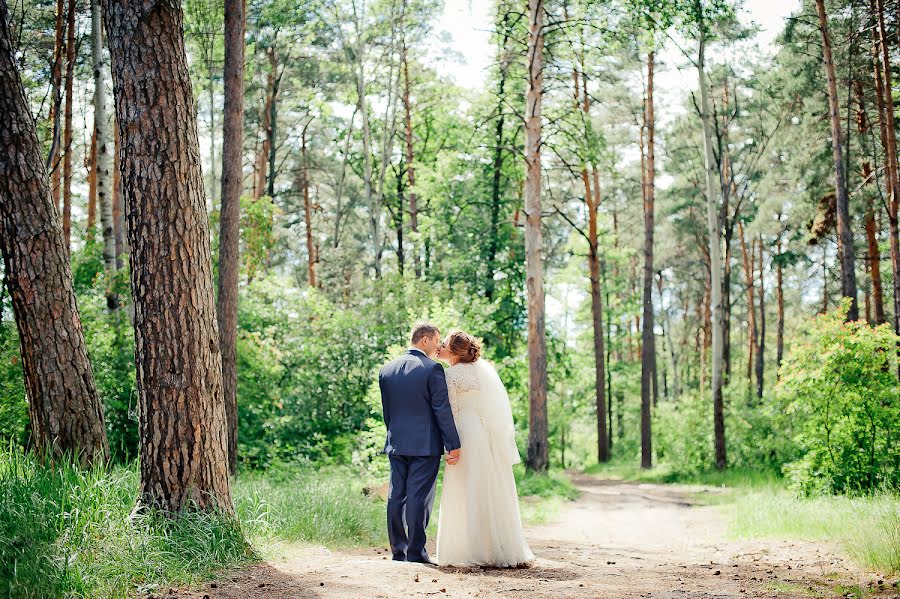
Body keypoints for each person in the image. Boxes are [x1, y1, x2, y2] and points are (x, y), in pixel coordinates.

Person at [435, 329, 534, 568]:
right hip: (482, 432)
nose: (441, 346)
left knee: (464, 488)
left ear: (455, 352)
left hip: (463, 434)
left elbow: (452, 411)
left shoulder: (451, 375)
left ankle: (468, 550)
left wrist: (451, 445)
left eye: (445, 344)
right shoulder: (483, 372)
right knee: (486, 487)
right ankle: (498, 547)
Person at [378, 322, 461, 564]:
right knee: (418, 498)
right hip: (425, 445)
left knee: (396, 496)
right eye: (437, 341)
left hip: (396, 442)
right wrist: (452, 444)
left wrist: (394, 434)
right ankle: (416, 553)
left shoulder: (386, 369)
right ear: (425, 340)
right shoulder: (432, 369)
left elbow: (388, 412)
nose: (438, 346)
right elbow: (441, 410)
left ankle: (398, 552)